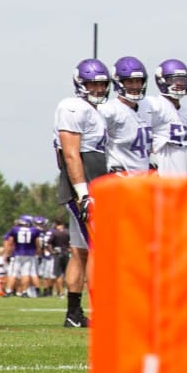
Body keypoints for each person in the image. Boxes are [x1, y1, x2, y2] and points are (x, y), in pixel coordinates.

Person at [54, 58, 111, 328]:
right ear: (80, 84)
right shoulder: (72, 107)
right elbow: (70, 154)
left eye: (101, 84)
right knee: (101, 249)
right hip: (85, 188)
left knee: (80, 251)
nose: (98, 89)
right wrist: (83, 192)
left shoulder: (93, 109)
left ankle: (74, 314)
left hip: (91, 185)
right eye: (92, 84)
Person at [101, 57, 154, 175]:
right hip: (119, 178)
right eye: (130, 81)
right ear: (118, 82)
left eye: (138, 81)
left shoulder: (148, 106)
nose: (135, 86)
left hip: (143, 179)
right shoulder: (109, 110)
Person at [146, 59, 187, 175]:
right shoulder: (154, 105)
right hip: (161, 175)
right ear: (161, 81)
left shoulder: (186, 113)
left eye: (182, 80)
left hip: (180, 176)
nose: (179, 84)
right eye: (174, 80)